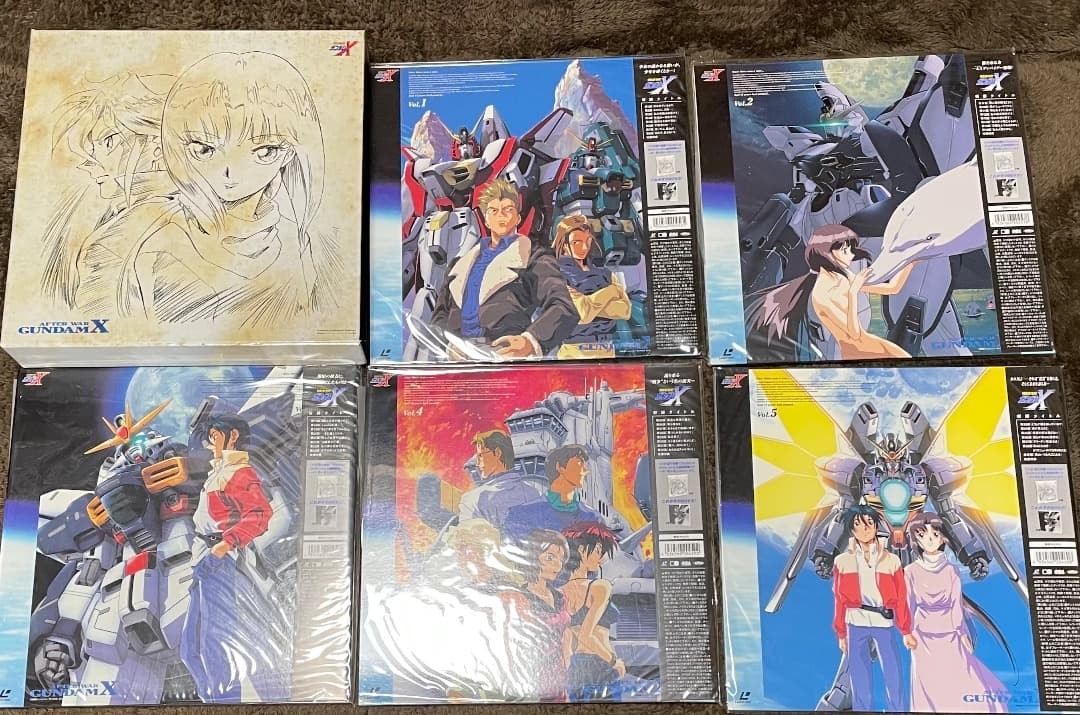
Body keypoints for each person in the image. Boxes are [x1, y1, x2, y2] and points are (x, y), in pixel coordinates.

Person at [116, 51, 333, 325]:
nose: (230, 172)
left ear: (288, 152)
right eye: (205, 149)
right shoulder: (162, 247)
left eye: (264, 150)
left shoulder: (293, 238)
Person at [42, 72, 176, 310]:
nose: (88, 163)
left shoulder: (113, 244)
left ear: (157, 145)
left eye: (108, 142)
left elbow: (99, 322)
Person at [182, 412, 288, 703]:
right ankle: (214, 700)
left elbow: (259, 515)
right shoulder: (219, 472)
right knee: (190, 648)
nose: (209, 443)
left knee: (217, 645)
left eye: (214, 437)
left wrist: (224, 546)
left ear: (232, 437)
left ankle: (227, 701)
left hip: (222, 562)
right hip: (205, 560)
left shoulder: (239, 472)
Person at [430, 178, 579, 358]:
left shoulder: (534, 257)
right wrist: (447, 345)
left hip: (504, 354)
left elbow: (563, 306)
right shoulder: (459, 264)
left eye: (508, 209)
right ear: (486, 220)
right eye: (493, 211)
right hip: (459, 358)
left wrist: (531, 340)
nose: (500, 215)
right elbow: (439, 316)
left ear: (518, 218)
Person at [747, 224, 914, 360]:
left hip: (871, 345)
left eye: (851, 249)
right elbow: (854, 334)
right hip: (857, 353)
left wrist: (911, 259)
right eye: (845, 250)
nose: (851, 255)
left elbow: (891, 289)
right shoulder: (822, 293)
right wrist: (853, 292)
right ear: (825, 253)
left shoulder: (843, 277)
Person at [904, 513, 1007, 712]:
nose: (930, 539)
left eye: (935, 534)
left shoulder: (951, 571)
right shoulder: (910, 571)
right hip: (922, 634)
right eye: (923, 535)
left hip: (950, 633)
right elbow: (908, 604)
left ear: (943, 538)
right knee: (926, 681)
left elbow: (955, 605)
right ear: (916, 539)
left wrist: (962, 633)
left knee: (960, 675)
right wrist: (906, 632)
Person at [831, 505, 915, 711]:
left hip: (883, 622)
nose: (865, 528)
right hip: (855, 622)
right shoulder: (842, 561)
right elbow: (839, 599)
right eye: (858, 524)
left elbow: (901, 598)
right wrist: (841, 633)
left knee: (893, 675)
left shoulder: (891, 560)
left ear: (877, 526)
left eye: (870, 523)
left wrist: (905, 630)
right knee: (859, 678)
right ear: (851, 530)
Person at [560, 522, 625, 701]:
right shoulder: (600, 587)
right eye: (598, 551)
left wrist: (567, 677)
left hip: (576, 666)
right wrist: (613, 661)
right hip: (601, 662)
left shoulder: (560, 592)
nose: (602, 559)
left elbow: (568, 640)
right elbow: (586, 635)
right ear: (581, 550)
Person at [551, 214, 632, 357]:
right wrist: (612, 291)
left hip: (607, 348)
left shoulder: (604, 273)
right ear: (564, 244)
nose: (584, 247)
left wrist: (589, 303)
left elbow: (625, 310)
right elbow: (581, 314)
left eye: (587, 240)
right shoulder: (556, 274)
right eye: (576, 242)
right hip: (575, 351)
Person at [502, 444, 602, 540]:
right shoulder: (521, 514)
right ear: (560, 467)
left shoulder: (593, 517)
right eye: (579, 463)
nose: (586, 470)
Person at [518, 529, 572, 701]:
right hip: (532, 679)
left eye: (561, 559)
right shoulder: (520, 597)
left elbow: (566, 634)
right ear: (533, 557)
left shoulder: (560, 596)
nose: (557, 565)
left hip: (559, 677)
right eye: (550, 557)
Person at [457, 430, 546, 527]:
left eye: (480, 455)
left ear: (497, 453)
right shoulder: (534, 493)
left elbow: (465, 535)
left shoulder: (473, 499)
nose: (477, 463)